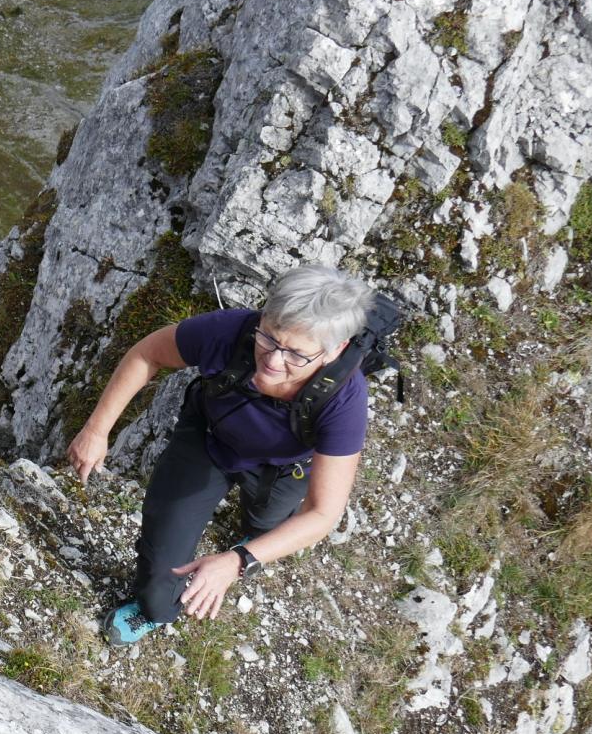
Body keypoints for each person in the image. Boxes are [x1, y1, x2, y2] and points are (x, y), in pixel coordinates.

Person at [65, 265, 376, 643]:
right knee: (161, 555)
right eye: (271, 339)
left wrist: (239, 560)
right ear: (263, 317)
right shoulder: (229, 332)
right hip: (209, 441)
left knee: (266, 525)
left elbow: (323, 513)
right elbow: (148, 355)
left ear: (334, 351)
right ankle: (156, 610)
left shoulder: (344, 400)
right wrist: (97, 430)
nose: (275, 361)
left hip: (283, 468)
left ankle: (252, 541)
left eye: (296, 355)